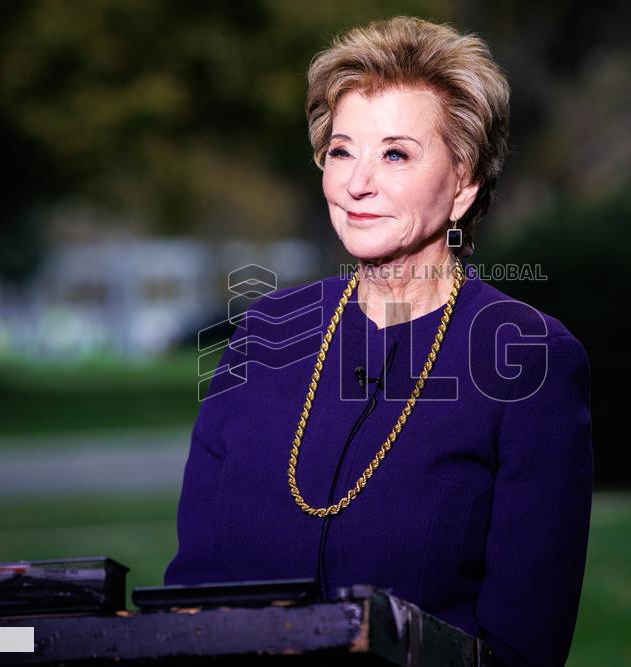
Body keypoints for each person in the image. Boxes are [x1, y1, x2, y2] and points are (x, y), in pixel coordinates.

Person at [165, 16, 593, 667]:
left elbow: (522, 650)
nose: (357, 183)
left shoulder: (529, 357)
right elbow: (190, 597)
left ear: (463, 184)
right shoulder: (262, 336)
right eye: (341, 150)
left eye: (395, 153)